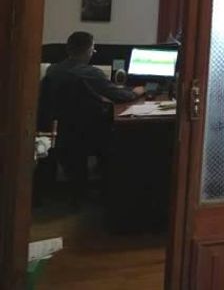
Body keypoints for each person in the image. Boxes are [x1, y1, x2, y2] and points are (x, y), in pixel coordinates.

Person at [37, 31, 144, 198]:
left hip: (61, 131)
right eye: (93, 48)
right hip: (90, 132)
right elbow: (120, 96)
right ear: (88, 50)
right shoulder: (91, 73)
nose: (93, 52)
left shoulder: (52, 70)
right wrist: (137, 91)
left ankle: (79, 186)